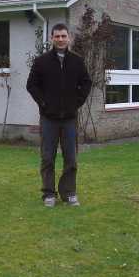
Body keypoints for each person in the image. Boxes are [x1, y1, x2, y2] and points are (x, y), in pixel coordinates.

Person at [26, 23, 92, 207]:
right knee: (48, 157)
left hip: (69, 119)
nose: (60, 39)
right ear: (52, 38)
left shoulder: (77, 61)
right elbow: (31, 85)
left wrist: (76, 102)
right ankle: (49, 194)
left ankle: (69, 192)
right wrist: (44, 103)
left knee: (71, 157)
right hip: (49, 118)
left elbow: (86, 83)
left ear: (68, 38)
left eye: (64, 36)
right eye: (57, 36)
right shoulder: (41, 61)